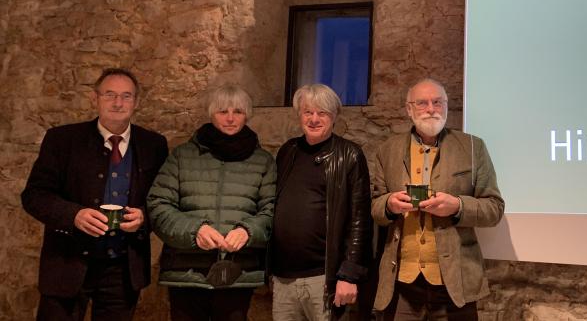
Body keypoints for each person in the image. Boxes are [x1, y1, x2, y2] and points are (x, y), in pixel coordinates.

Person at [21, 68, 169, 320]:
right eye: (110, 94)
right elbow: (34, 196)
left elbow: (164, 202)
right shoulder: (62, 140)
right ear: (95, 98)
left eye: (126, 96)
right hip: (66, 263)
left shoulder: (153, 144)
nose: (118, 103)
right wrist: (74, 215)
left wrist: (144, 218)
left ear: (136, 101)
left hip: (123, 270)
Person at [370, 78, 504, 320]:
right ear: (408, 109)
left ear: (446, 106)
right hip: (402, 284)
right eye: (422, 103)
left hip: (456, 284)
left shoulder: (474, 147)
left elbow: (494, 208)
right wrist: (389, 204)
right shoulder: (387, 150)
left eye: (437, 102)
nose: (431, 109)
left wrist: (458, 206)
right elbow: (375, 206)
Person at [147, 84, 276, 321]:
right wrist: (195, 230)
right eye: (222, 111)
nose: (230, 118)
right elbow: (158, 204)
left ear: (246, 114)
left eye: (237, 111)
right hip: (186, 272)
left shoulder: (264, 162)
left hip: (238, 273)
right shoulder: (182, 156)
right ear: (210, 113)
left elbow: (272, 210)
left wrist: (249, 231)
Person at [268, 84, 372, 321]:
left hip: (326, 279)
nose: (314, 119)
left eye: (322, 113)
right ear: (299, 115)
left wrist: (349, 275)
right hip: (284, 278)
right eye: (308, 112)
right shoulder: (287, 151)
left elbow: (360, 219)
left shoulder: (350, 155)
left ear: (334, 117)